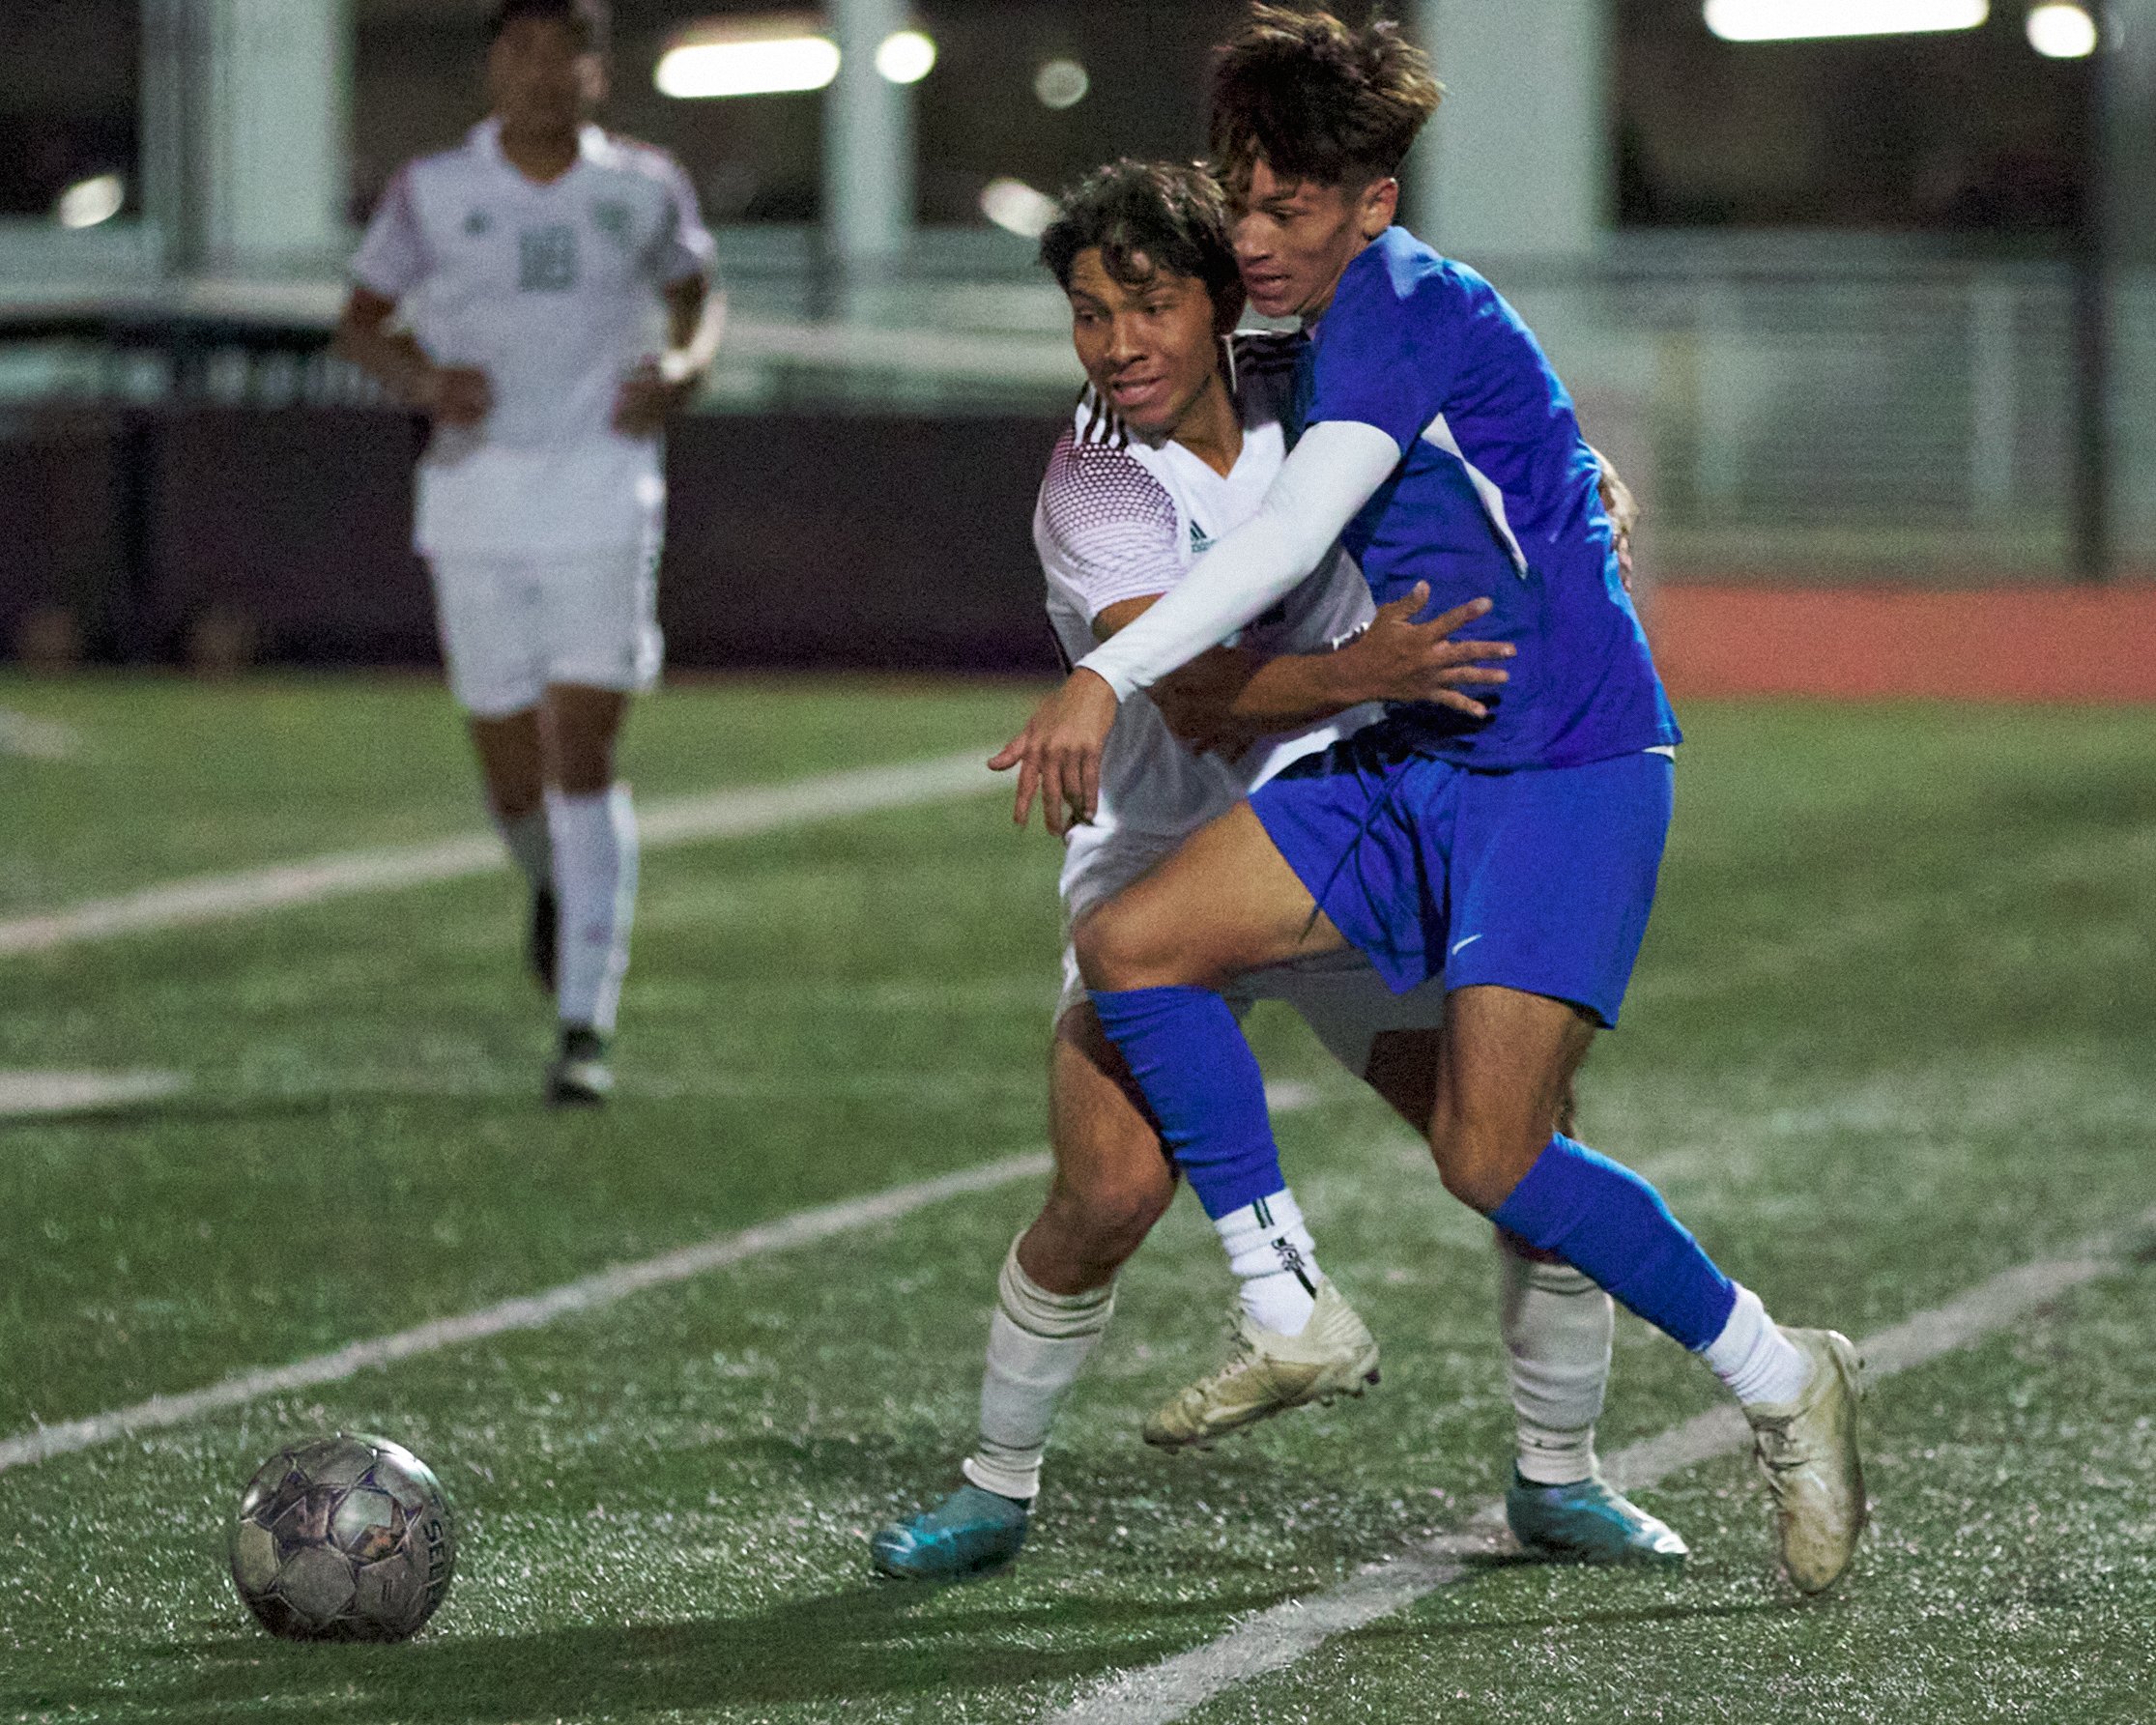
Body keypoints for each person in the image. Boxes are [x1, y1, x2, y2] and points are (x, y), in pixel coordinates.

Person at [993, 10, 1867, 1597]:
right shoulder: (1299, 327)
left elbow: (1281, 544)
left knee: (1493, 1152)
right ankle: (1290, 1307)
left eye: (1288, 210)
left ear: (1373, 204)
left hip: (1565, 764)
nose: (1251, 240)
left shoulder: (1394, 308)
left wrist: (1095, 683)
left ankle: (1771, 1371)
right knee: (1135, 942)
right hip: (1419, 749)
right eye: (1239, 201)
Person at [871, 160, 1685, 1583]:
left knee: (1516, 1142)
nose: (1114, 342)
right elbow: (1194, 700)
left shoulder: (1311, 377)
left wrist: (1573, 488)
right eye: (1083, 313)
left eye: (1144, 302)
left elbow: (1490, 427)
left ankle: (1557, 1476)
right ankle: (994, 1485)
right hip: (1166, 851)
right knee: (1108, 1197)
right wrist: (1365, 669)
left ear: (1218, 301)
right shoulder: (1093, 483)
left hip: (1352, 822)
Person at [334, 0, 722, 1106]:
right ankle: (559, 889)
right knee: (511, 774)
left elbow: (698, 298)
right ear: (493, 67)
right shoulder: (434, 191)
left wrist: (687, 366)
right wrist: (420, 381)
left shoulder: (642, 187)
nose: (544, 73)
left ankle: (583, 1024)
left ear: (595, 73)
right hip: (473, 505)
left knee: (583, 753)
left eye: (567, 53)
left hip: (604, 495)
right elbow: (359, 319)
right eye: (523, 51)